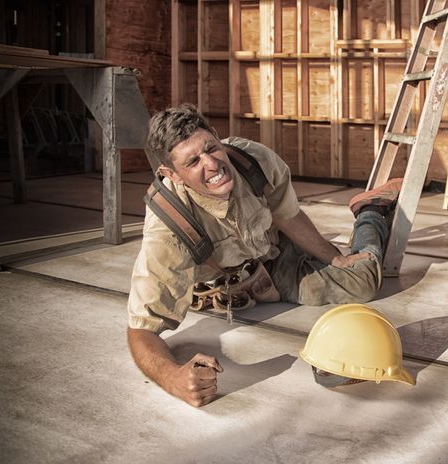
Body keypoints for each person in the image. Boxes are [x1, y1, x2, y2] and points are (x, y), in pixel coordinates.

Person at [126, 104, 402, 407]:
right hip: (233, 279)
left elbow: (288, 216)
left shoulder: (251, 160)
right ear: (172, 174)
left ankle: (371, 211)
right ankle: (213, 289)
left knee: (363, 280)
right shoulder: (168, 228)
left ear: (218, 137)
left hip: (276, 251)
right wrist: (172, 378)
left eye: (211, 148)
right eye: (193, 161)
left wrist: (337, 259)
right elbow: (142, 329)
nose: (213, 164)